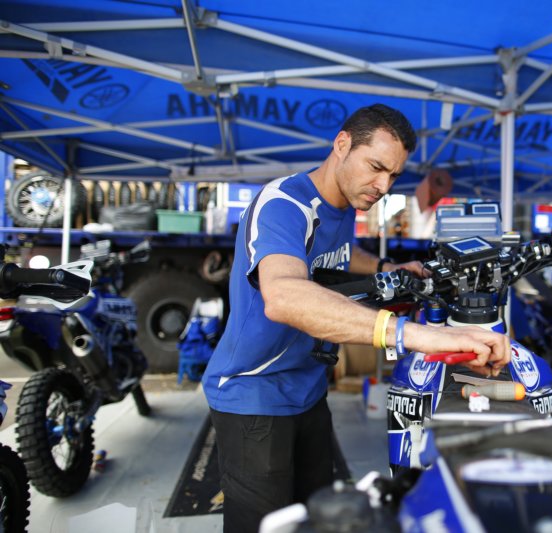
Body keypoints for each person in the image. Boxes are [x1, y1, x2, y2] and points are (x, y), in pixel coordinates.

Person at [201, 103, 511, 533]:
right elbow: (284, 297)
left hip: (308, 389)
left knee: (321, 518)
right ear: (342, 145)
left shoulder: (345, 202)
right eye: (376, 167)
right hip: (253, 391)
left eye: (394, 176)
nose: (383, 186)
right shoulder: (285, 204)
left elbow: (340, 255)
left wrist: (386, 269)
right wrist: (412, 335)